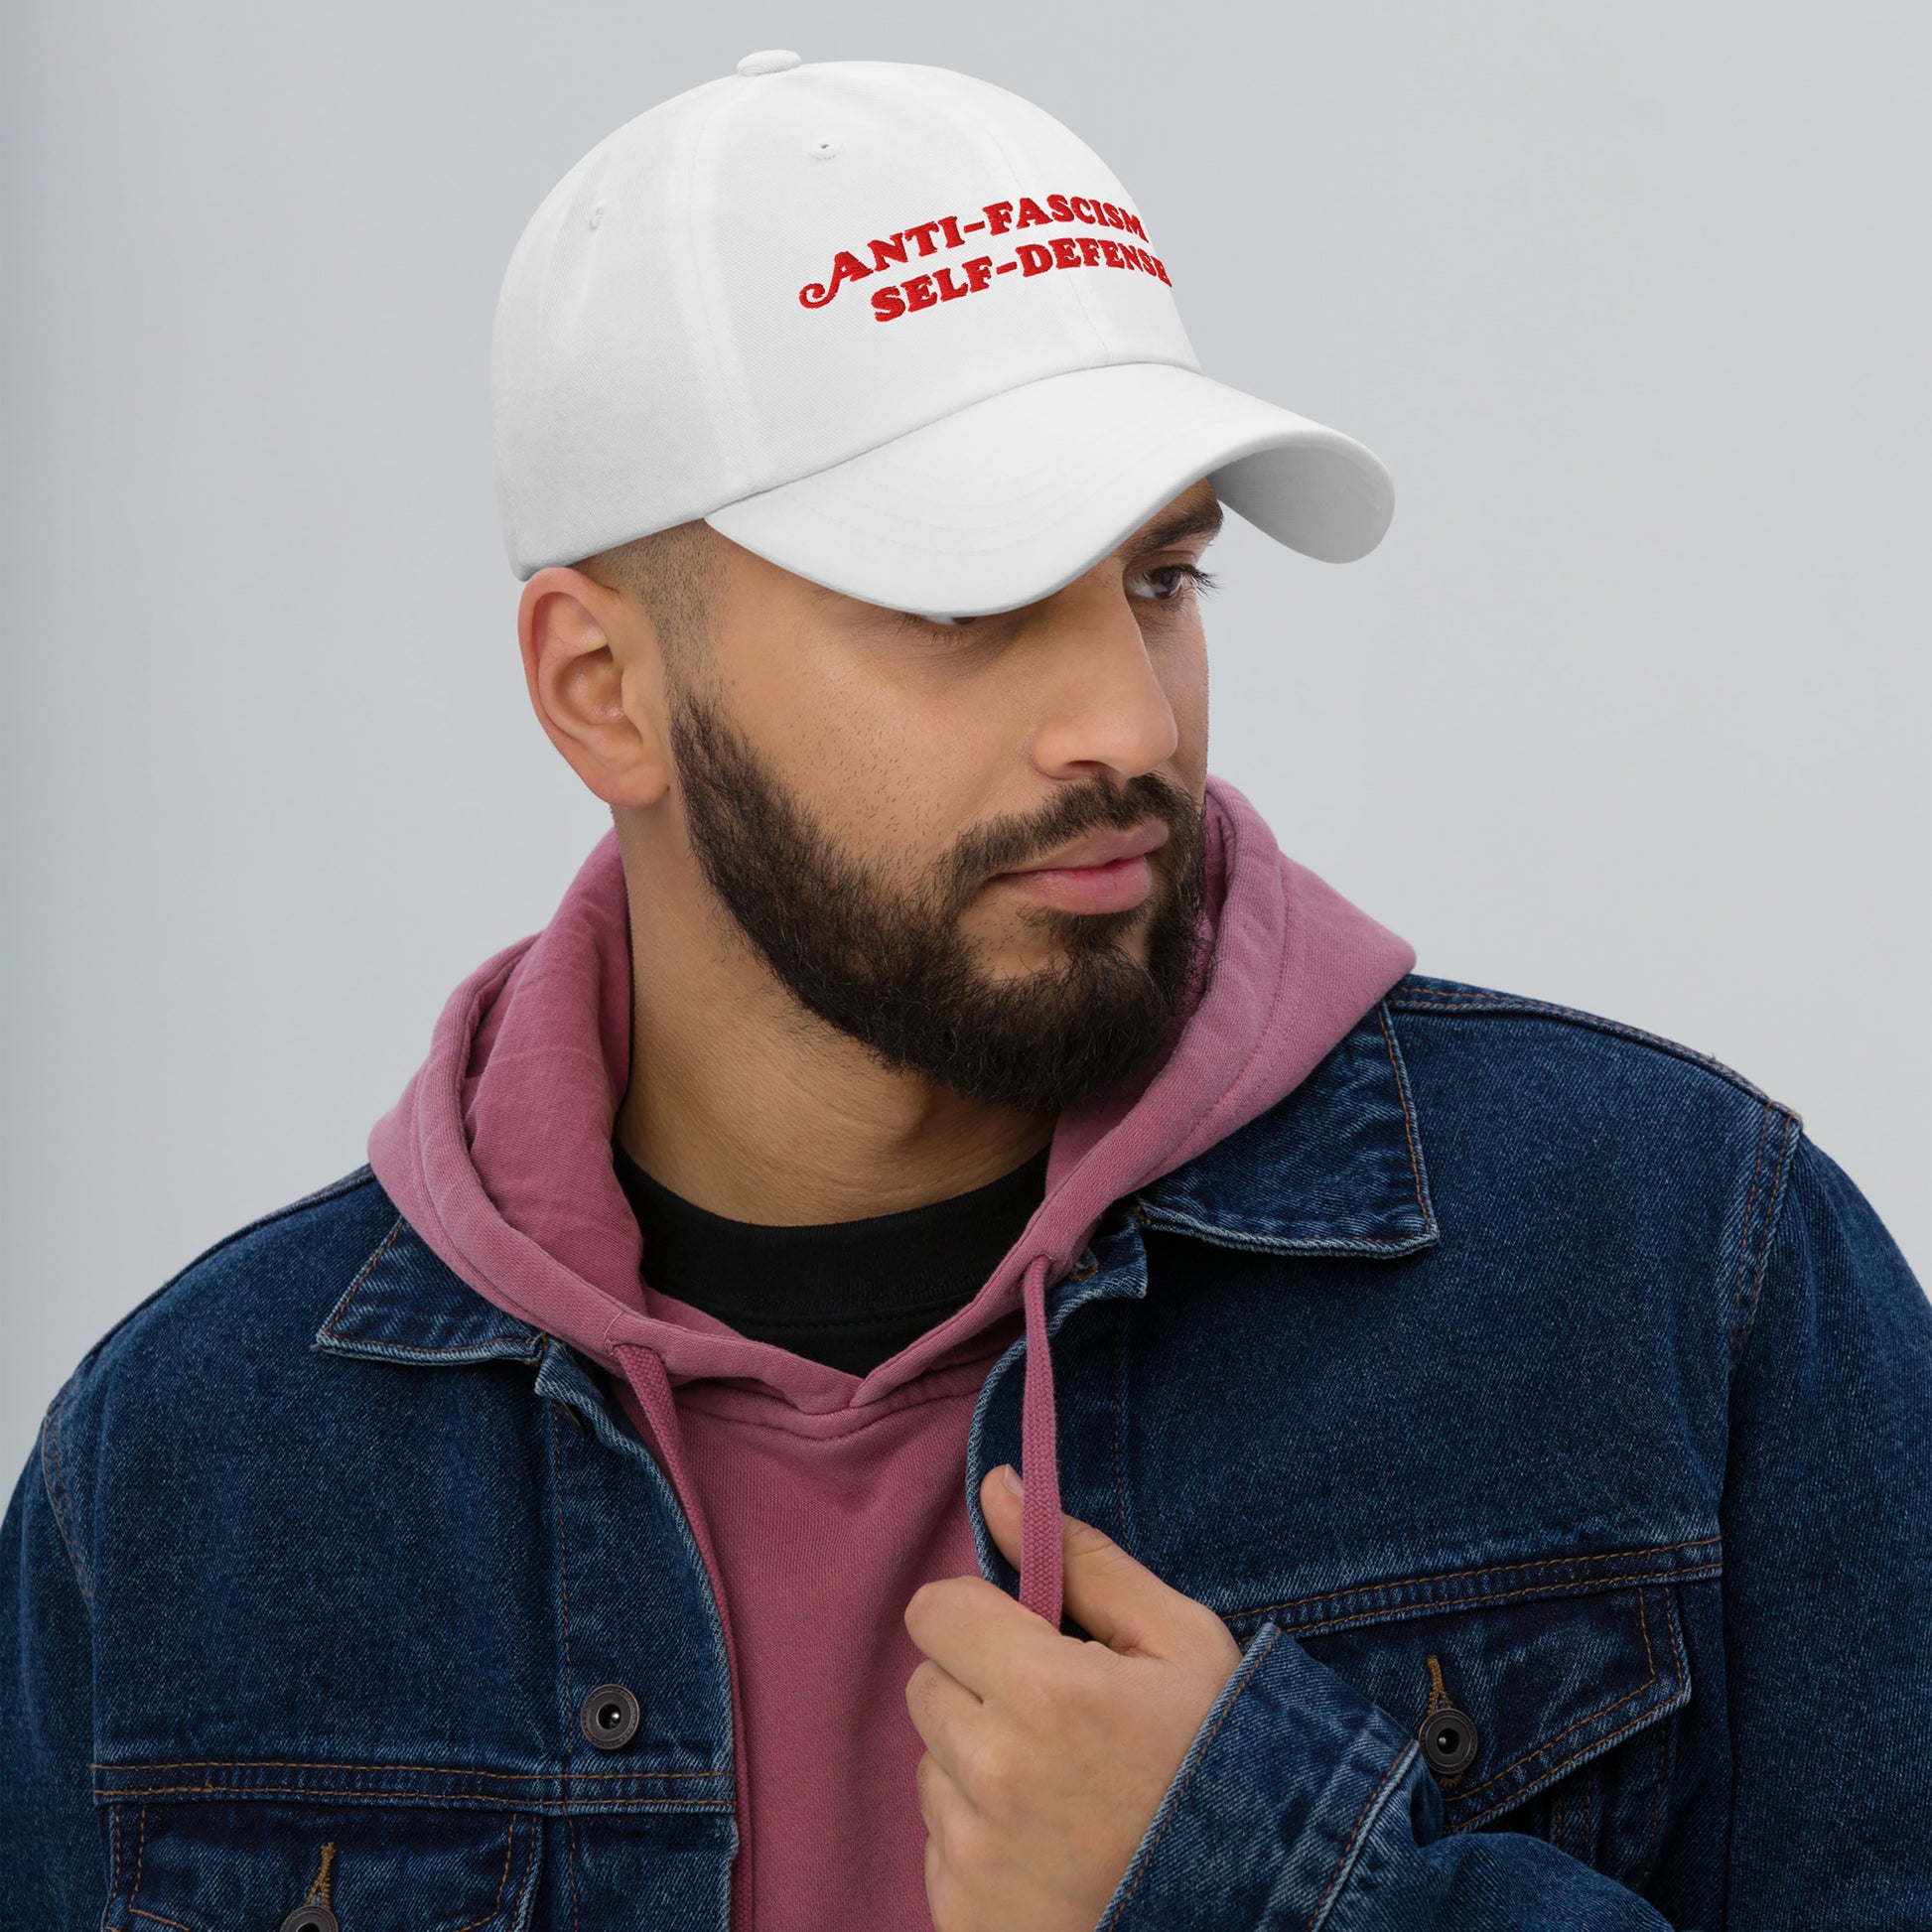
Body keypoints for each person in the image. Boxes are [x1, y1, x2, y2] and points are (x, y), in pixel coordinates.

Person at [2, 49, 1926, 1932]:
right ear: (603, 687)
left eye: (1162, 580)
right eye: (961, 603)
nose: (1122, 719)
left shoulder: (1679, 1279)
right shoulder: (181, 1479)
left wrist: (1276, 1886)